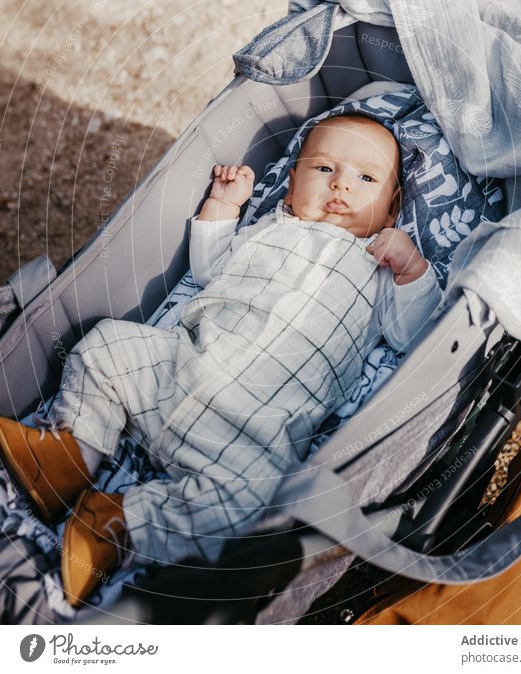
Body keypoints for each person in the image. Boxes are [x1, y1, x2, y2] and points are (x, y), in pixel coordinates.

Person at [0, 115, 441, 607]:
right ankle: (72, 450)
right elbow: (208, 268)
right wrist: (223, 206)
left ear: (393, 207)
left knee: (254, 505)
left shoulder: (378, 267)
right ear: (291, 185)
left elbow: (411, 333)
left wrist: (411, 268)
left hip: (254, 428)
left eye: (366, 178)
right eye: (323, 168)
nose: (340, 183)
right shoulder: (273, 228)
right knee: (107, 345)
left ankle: (120, 521)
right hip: (181, 363)